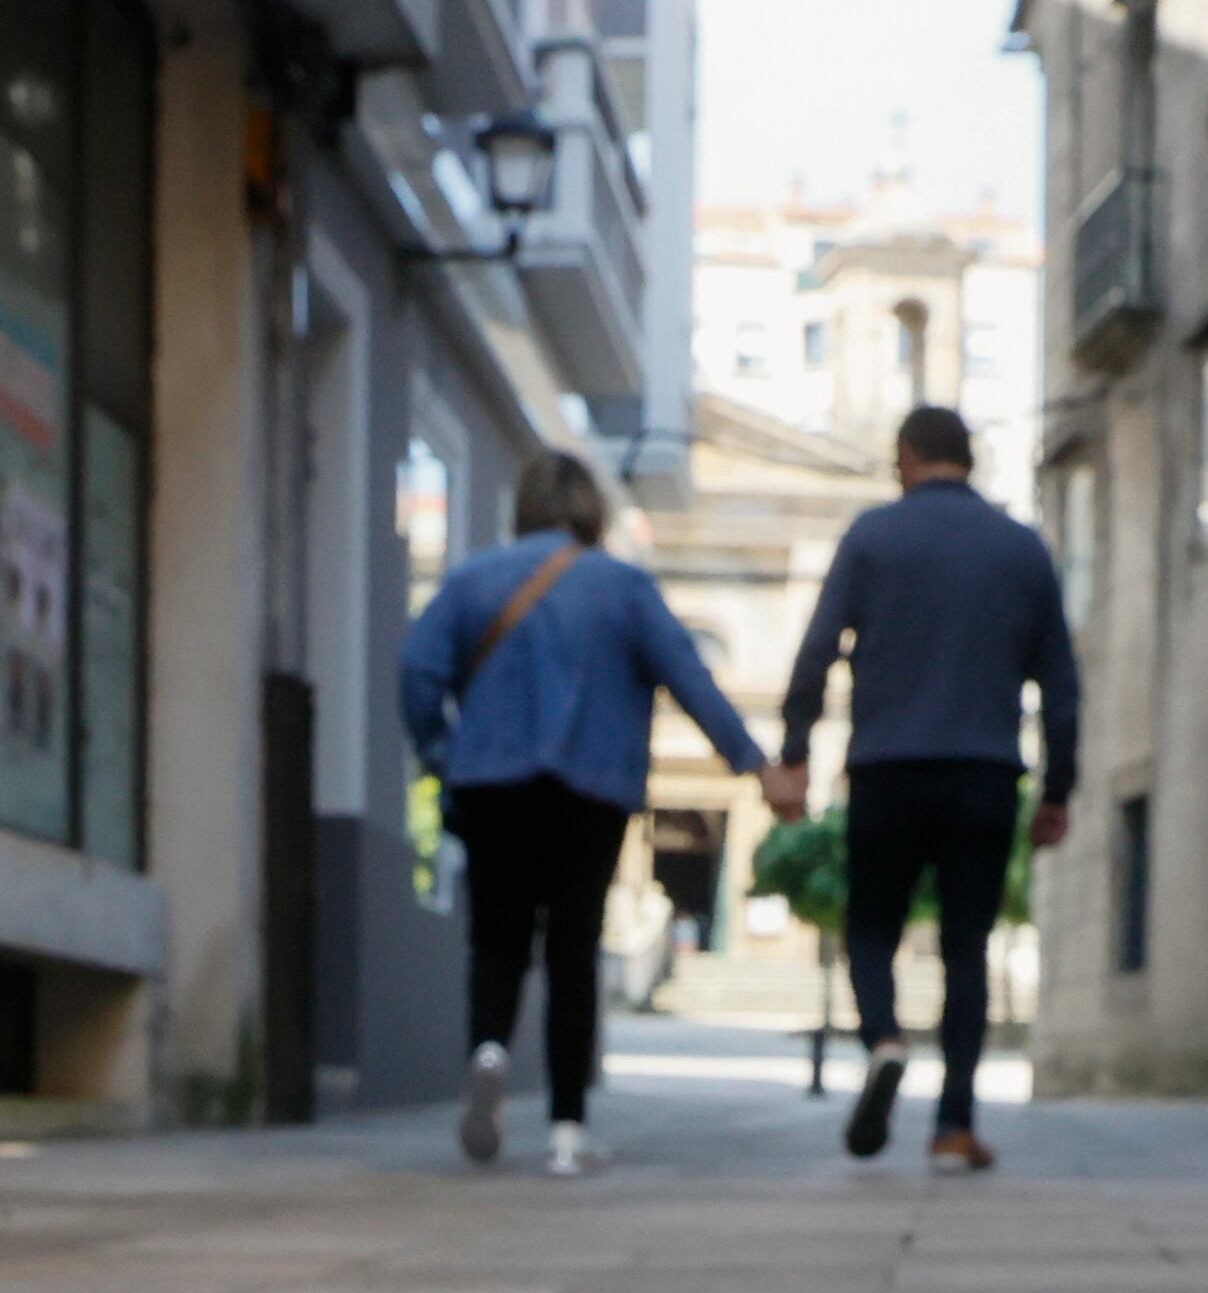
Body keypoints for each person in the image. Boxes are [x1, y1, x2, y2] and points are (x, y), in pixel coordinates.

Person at [399, 448, 771, 1176]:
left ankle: (489, 1053)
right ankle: (568, 1132)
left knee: (497, 938)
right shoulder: (623, 586)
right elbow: (687, 675)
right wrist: (752, 762)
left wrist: (446, 753)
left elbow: (418, 670)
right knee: (575, 951)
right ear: (592, 509)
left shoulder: (472, 579)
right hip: (589, 790)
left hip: (491, 782)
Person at [770, 405, 1080, 1174]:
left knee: (871, 926)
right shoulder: (1022, 548)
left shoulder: (872, 537)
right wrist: (1057, 790)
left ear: (905, 456)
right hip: (984, 772)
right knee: (965, 948)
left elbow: (815, 653)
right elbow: (1062, 685)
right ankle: (953, 1127)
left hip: (887, 766)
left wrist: (796, 751)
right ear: (968, 459)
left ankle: (882, 1039)